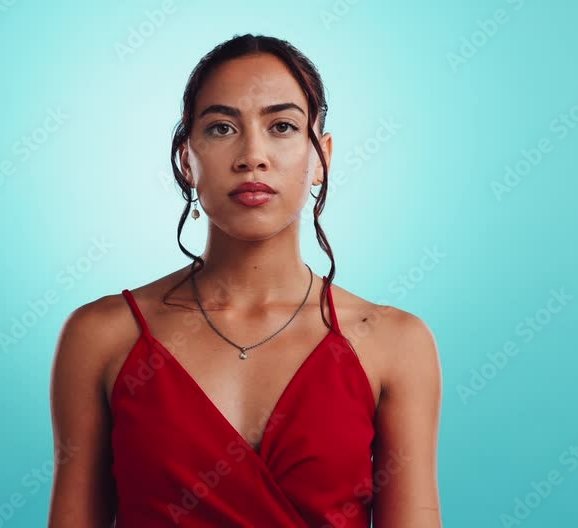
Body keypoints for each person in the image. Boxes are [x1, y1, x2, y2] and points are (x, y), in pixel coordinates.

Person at [48, 34, 442, 527]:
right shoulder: (102, 336)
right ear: (185, 159)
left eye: (281, 126)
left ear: (321, 156)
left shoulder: (395, 343)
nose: (252, 155)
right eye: (220, 128)